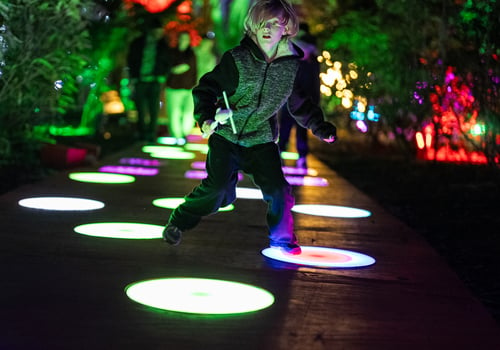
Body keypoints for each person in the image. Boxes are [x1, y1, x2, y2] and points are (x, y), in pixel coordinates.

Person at [162, 0, 337, 255]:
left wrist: (320, 127)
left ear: (286, 28)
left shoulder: (290, 67)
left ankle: (282, 238)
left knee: (278, 189)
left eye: (275, 24)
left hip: (261, 140)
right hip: (227, 136)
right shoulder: (237, 60)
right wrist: (208, 118)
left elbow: (299, 103)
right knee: (218, 190)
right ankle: (179, 221)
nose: (268, 29)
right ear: (253, 27)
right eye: (262, 23)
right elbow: (205, 89)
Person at [278, 22, 320, 169]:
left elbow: (314, 84)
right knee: (285, 129)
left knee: (300, 131)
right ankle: (281, 153)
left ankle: (301, 156)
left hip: (304, 103)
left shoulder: (311, 63)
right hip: (291, 102)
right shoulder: (294, 62)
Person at [127, 20, 171, 143]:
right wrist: (133, 76)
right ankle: (142, 133)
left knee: (153, 108)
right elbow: (131, 60)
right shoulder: (138, 43)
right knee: (140, 108)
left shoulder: (163, 45)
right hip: (140, 79)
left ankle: (151, 133)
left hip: (155, 80)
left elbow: (167, 61)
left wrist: (162, 74)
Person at [165, 31, 198, 141]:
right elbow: (168, 68)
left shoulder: (191, 54)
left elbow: (194, 71)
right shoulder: (171, 53)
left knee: (188, 112)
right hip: (173, 87)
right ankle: (177, 135)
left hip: (188, 88)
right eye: (182, 38)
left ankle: (184, 133)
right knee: (174, 112)